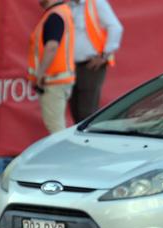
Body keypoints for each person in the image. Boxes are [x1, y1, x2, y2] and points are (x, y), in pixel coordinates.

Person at [68, 0, 123, 122]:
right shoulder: (70, 6)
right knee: (75, 110)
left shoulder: (96, 3)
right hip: (71, 66)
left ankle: (89, 140)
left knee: (86, 112)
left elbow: (115, 27)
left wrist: (104, 56)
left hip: (90, 66)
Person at [28, 0, 76, 134]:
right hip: (58, 79)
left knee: (56, 129)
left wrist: (40, 74)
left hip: (53, 80)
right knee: (57, 126)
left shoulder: (55, 15)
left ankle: (65, 155)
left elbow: (52, 47)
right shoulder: (61, 13)